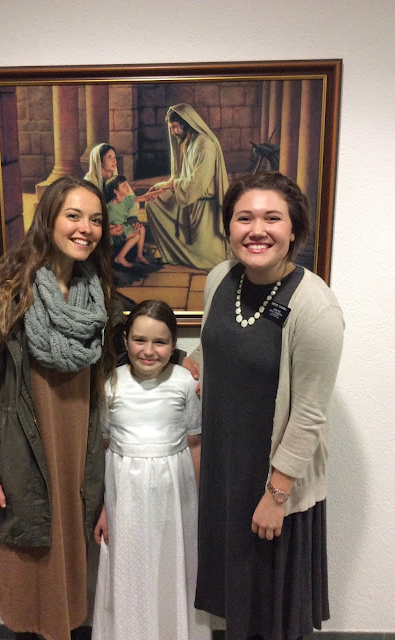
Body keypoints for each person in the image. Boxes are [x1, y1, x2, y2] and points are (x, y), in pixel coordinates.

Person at [0, 176, 117, 640]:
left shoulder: (98, 296)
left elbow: (121, 359)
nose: (86, 228)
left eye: (96, 219)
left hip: (78, 463)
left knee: (69, 589)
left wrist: (184, 360)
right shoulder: (4, 293)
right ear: (47, 219)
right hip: (20, 465)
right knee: (27, 588)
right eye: (74, 215)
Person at [191, 172, 344, 640]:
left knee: (271, 611)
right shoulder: (220, 279)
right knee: (233, 600)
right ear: (228, 227)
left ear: (294, 229)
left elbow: (310, 415)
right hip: (224, 470)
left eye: (272, 218)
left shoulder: (316, 307)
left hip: (273, 481)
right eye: (244, 218)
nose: (257, 230)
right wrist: (189, 366)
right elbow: (214, 345)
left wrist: (277, 496)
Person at [92, 300, 211, 640]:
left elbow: (195, 444)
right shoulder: (110, 384)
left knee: (171, 567)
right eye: (139, 340)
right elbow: (104, 447)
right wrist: (104, 507)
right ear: (125, 340)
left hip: (175, 495)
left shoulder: (186, 383)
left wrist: (199, 503)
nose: (148, 351)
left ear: (174, 345)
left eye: (160, 342)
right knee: (129, 569)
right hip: (124, 498)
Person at [145, 103, 229, 270]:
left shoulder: (205, 145)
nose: (173, 132)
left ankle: (185, 254)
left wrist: (173, 185)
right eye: (171, 128)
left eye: (175, 127)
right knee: (153, 204)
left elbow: (196, 183)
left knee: (207, 258)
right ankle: (172, 253)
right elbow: (182, 177)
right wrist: (160, 186)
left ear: (186, 124)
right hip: (190, 200)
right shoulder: (190, 142)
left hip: (204, 209)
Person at [105, 175, 162, 268]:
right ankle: (120, 257)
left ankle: (139, 256)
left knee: (141, 228)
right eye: (123, 185)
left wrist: (160, 191)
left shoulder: (126, 200)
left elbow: (144, 197)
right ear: (116, 191)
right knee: (137, 235)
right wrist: (114, 227)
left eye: (126, 184)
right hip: (114, 235)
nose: (127, 187)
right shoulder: (110, 208)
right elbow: (103, 226)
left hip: (122, 228)